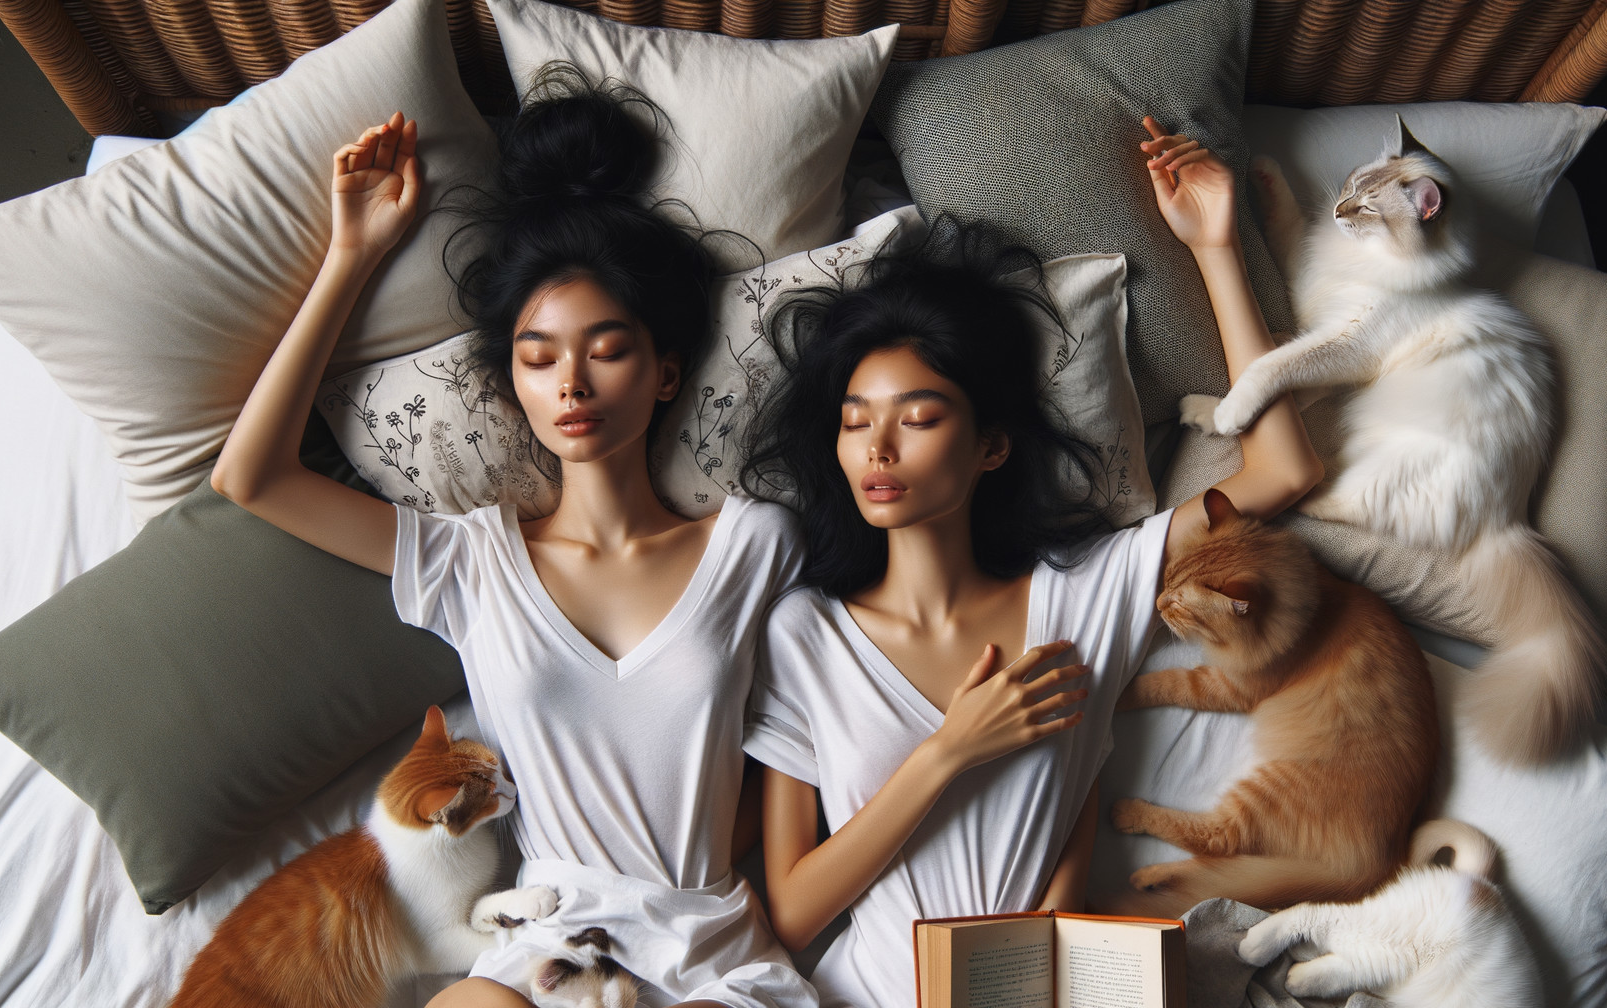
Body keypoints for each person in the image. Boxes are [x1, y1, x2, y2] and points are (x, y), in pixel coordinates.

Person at [211, 71, 814, 1008]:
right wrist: (352, 255)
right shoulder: (471, 561)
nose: (571, 381)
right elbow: (250, 477)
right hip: (541, 944)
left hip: (705, 952)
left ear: (663, 374)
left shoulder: (754, 545)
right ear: (517, 389)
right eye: (539, 359)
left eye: (607, 349)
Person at [739, 117, 1323, 1008]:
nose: (877, 449)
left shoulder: (1088, 593)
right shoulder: (805, 632)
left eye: (919, 418)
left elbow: (1285, 469)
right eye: (856, 420)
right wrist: (948, 753)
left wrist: (1216, 246)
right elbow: (789, 914)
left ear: (991, 448)